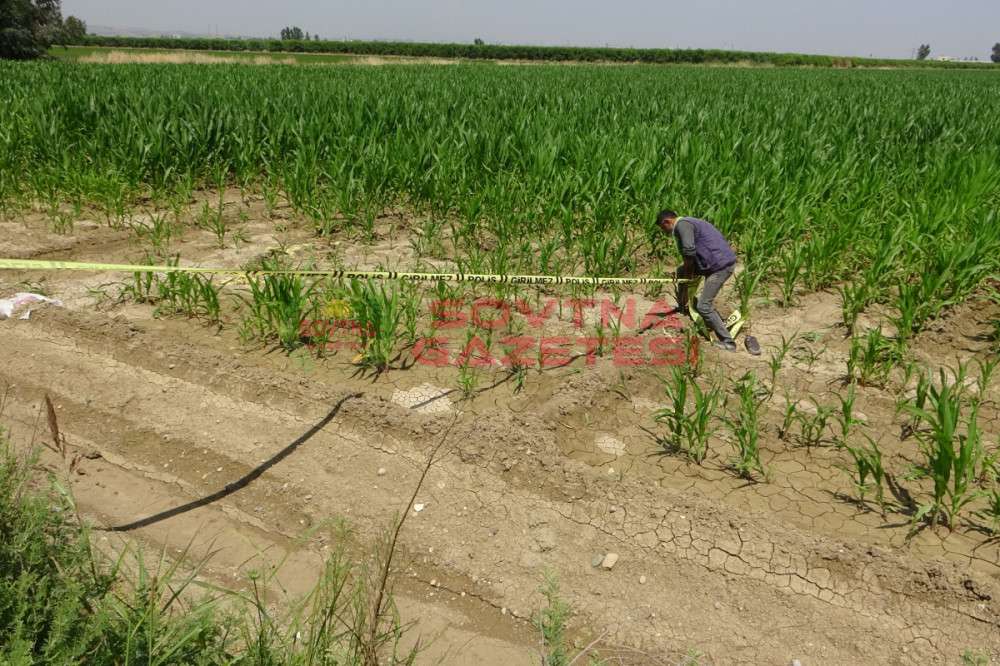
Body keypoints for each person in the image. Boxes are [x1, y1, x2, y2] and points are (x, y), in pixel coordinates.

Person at [655, 210, 739, 351]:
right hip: (711, 263)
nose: (665, 233)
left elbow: (689, 250)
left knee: (703, 306)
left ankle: (728, 341)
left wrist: (689, 272)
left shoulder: (682, 225)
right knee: (681, 271)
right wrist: (687, 272)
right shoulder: (690, 222)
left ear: (667, 222)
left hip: (720, 267)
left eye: (664, 229)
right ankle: (683, 308)